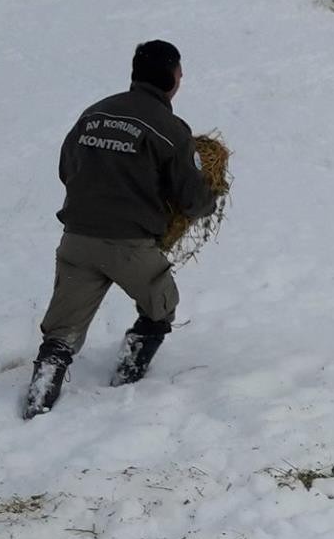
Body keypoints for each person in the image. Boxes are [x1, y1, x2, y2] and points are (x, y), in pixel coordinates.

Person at [23, 40, 217, 419]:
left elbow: (67, 167)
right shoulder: (170, 129)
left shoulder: (94, 114)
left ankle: (41, 393)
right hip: (129, 246)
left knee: (61, 333)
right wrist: (211, 194)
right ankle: (128, 374)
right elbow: (193, 197)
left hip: (76, 240)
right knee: (161, 306)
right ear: (174, 78)